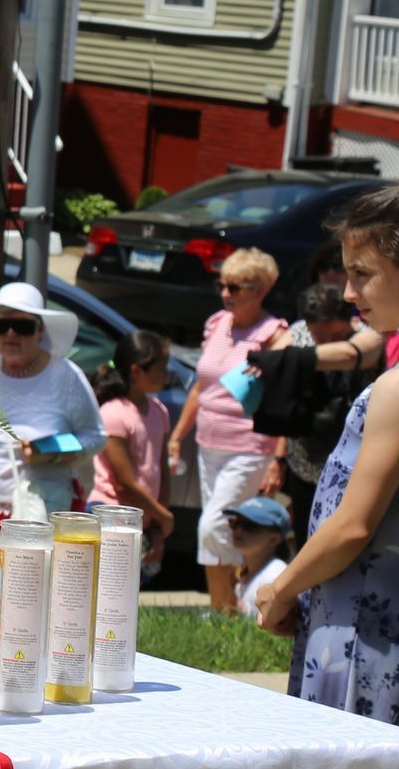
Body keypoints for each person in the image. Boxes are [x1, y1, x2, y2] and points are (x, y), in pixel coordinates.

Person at [256, 187, 399, 723]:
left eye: (362, 273)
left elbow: (354, 526)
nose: (348, 292)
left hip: (366, 630)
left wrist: (281, 588)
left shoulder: (396, 390)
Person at [167, 248, 288, 613]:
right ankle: (224, 610)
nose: (225, 293)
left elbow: (284, 400)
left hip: (249, 447)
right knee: (220, 530)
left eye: (235, 287)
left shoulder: (274, 334)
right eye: (222, 284)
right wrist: (177, 435)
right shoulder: (217, 322)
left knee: (213, 527)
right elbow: (200, 388)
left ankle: (228, 608)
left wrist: (278, 459)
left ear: (260, 290)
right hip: (209, 444)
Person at [0, 282, 106, 528]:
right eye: (1, 326)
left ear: (40, 330)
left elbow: (95, 436)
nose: (11, 334)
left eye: (22, 326)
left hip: (42, 511)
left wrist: (52, 452)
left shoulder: (66, 376)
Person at [270, 284, 379, 542]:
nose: (328, 342)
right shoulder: (298, 333)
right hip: (303, 466)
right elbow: (270, 369)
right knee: (303, 540)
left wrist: (291, 360)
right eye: (318, 335)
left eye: (336, 335)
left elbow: (349, 355)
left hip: (350, 473)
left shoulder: (367, 336)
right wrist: (278, 458)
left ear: (349, 322)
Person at [87, 329, 174, 576]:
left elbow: (162, 468)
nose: (166, 374)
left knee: (131, 585)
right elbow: (124, 483)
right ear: (136, 371)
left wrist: (157, 525)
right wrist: (163, 515)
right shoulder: (114, 413)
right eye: (160, 369)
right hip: (110, 514)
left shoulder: (159, 411)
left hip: (141, 516)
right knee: (108, 586)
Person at [222, 495, 291, 620]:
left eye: (249, 526)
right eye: (235, 523)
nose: (238, 530)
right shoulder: (244, 573)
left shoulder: (274, 576)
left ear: (274, 539)